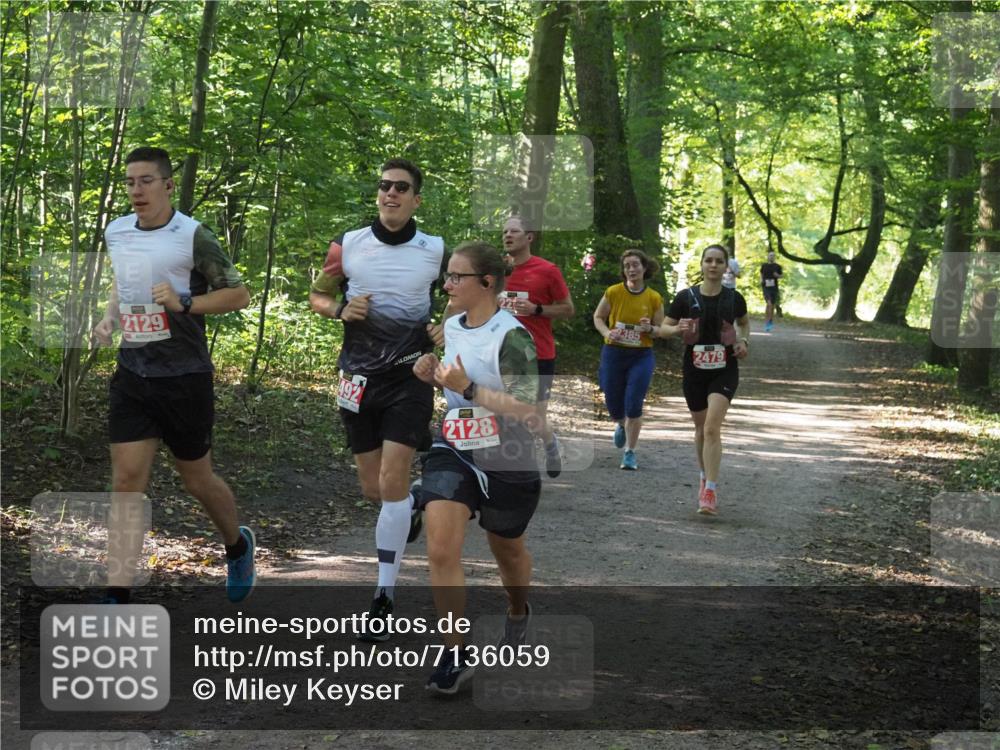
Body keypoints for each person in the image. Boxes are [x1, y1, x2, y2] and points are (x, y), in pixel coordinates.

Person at [92, 146, 255, 603]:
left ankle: (237, 545)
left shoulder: (193, 236)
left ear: (166, 185)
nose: (136, 190)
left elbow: (238, 295)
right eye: (130, 182)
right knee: (126, 480)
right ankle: (117, 593)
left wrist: (185, 303)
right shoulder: (118, 231)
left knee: (196, 480)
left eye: (146, 181)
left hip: (184, 377)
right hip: (133, 373)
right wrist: (110, 319)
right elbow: (122, 284)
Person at [308, 158, 444, 642]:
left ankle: (383, 596)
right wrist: (341, 309)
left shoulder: (436, 250)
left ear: (415, 200)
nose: (391, 194)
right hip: (358, 379)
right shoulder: (347, 244)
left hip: (411, 375)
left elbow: (474, 291)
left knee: (390, 481)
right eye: (384, 186)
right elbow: (319, 296)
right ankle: (410, 507)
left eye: (401, 188)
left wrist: (447, 323)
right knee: (375, 491)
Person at [413, 241, 541, 695]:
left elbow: (530, 411)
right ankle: (456, 652)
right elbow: (450, 379)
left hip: (508, 451)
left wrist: (466, 387)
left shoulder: (513, 336)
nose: (446, 284)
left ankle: (518, 610)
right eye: (446, 276)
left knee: (506, 551)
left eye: (456, 277)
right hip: (455, 444)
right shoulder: (451, 325)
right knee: (441, 547)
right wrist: (432, 372)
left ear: (486, 283)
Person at [657, 244, 750, 515]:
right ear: (701, 265)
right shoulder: (686, 297)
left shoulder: (734, 298)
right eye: (708, 260)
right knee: (700, 430)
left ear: (725, 267)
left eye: (719, 261)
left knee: (711, 428)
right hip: (695, 369)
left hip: (725, 368)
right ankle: (702, 477)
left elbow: (744, 322)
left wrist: (743, 341)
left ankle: (710, 490)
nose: (713, 265)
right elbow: (663, 328)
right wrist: (677, 329)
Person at [500, 215, 575, 478]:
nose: (507, 235)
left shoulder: (547, 270)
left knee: (533, 418)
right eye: (505, 231)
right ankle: (516, 472)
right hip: (501, 355)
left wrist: (537, 309)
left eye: (514, 231)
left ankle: (550, 442)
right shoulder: (496, 271)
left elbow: (568, 309)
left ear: (529, 237)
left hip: (538, 354)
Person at [592, 250, 665, 471]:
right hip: (614, 353)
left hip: (641, 355)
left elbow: (660, 330)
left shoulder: (653, 297)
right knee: (613, 401)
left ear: (644, 268)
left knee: (634, 403)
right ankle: (620, 423)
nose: (631, 270)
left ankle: (630, 452)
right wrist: (606, 333)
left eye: (635, 265)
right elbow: (598, 317)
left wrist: (649, 328)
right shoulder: (613, 292)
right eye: (627, 266)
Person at [760, 251, 783, 332]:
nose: (771, 257)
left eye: (773, 256)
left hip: (774, 287)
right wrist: (761, 280)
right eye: (770, 255)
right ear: (768, 257)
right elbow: (761, 274)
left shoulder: (777, 266)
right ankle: (767, 321)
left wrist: (777, 275)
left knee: (771, 306)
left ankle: (770, 322)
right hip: (766, 287)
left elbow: (781, 275)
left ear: (774, 257)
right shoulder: (764, 265)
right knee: (769, 304)